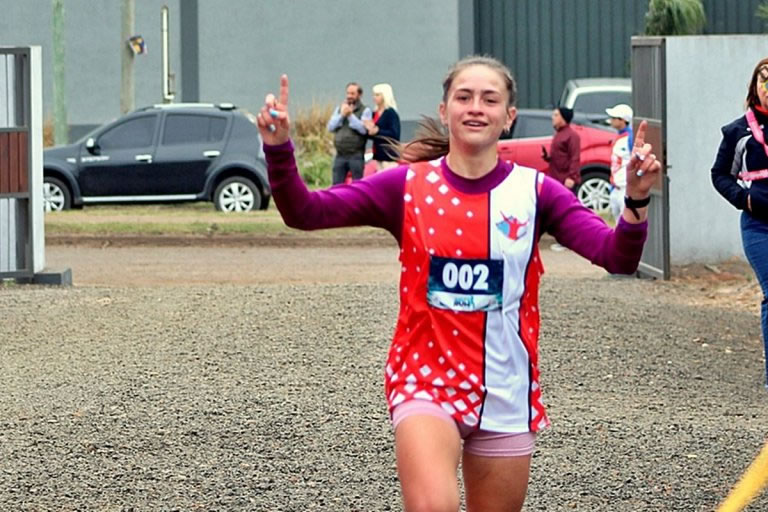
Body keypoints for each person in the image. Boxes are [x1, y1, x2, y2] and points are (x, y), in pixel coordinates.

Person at [257, 56, 661, 511]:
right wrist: (278, 149)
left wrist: (637, 201)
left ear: (509, 116)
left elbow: (617, 257)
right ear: (445, 108)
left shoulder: (537, 192)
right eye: (464, 97)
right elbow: (306, 212)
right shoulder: (405, 186)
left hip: (506, 390)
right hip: (424, 383)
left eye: (490, 99)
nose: (475, 108)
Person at [711, 57, 768, 390]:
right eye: (764, 80)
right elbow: (719, 175)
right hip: (759, 225)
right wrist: (744, 199)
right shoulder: (738, 131)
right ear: (755, 87)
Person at [326, 82, 372, 185]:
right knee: (336, 185)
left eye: (352, 93)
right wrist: (342, 115)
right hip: (340, 155)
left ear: (359, 95)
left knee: (357, 185)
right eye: (348, 93)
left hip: (356, 155)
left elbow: (363, 130)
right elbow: (330, 127)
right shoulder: (339, 109)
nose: (349, 96)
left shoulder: (365, 110)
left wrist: (350, 116)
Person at [541, 106, 581, 191]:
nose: (552, 118)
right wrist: (547, 157)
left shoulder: (572, 136)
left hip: (566, 181)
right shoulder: (558, 134)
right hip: (555, 179)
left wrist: (572, 177)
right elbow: (560, 157)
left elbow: (575, 158)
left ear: (563, 117)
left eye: (556, 115)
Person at [606, 104, 634, 222]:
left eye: (614, 118)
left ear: (622, 120)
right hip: (616, 187)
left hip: (625, 187)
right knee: (617, 224)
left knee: (625, 222)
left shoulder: (630, 137)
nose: (611, 120)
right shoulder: (619, 137)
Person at [363, 83, 401, 171]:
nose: (374, 97)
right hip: (378, 155)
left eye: (377, 95)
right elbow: (373, 134)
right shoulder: (375, 113)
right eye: (374, 95)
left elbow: (394, 134)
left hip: (389, 156)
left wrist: (378, 131)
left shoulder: (391, 113)